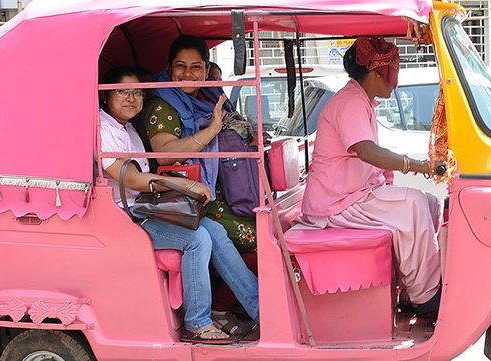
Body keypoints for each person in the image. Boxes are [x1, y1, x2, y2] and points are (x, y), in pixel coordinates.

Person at [99, 66, 258, 343]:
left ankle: (260, 310)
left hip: (148, 208)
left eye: (137, 93)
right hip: (128, 218)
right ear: (105, 96)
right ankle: (197, 322)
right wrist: (184, 185)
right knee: (197, 239)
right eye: (122, 91)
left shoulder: (128, 129)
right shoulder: (103, 129)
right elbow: (133, 180)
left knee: (216, 230)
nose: (131, 99)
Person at [297, 37, 442, 317]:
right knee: (413, 205)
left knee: (431, 204)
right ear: (375, 74)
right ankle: (425, 297)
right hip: (337, 205)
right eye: (392, 72)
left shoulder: (361, 99)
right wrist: (419, 166)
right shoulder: (351, 101)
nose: (394, 80)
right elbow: (366, 151)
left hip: (353, 196)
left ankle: (412, 291)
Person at [141, 35, 259, 333]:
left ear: (207, 69)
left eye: (196, 67)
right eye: (180, 66)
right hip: (173, 200)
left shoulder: (208, 95)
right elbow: (165, 150)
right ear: (170, 68)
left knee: (222, 232)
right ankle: (210, 316)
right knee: (259, 237)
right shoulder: (161, 104)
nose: (188, 73)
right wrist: (212, 130)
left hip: (206, 195)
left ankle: (262, 311)